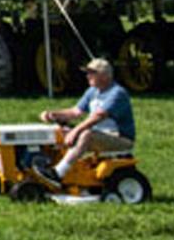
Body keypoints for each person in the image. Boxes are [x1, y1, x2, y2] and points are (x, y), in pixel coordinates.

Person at [32, 57, 136, 189]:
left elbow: (98, 116)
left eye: (92, 73)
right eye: (87, 73)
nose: (87, 76)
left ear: (104, 75)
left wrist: (76, 131)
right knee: (60, 131)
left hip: (119, 138)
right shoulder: (92, 91)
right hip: (99, 134)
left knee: (86, 134)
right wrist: (53, 114)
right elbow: (75, 112)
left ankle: (58, 174)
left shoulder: (117, 93)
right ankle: (45, 167)